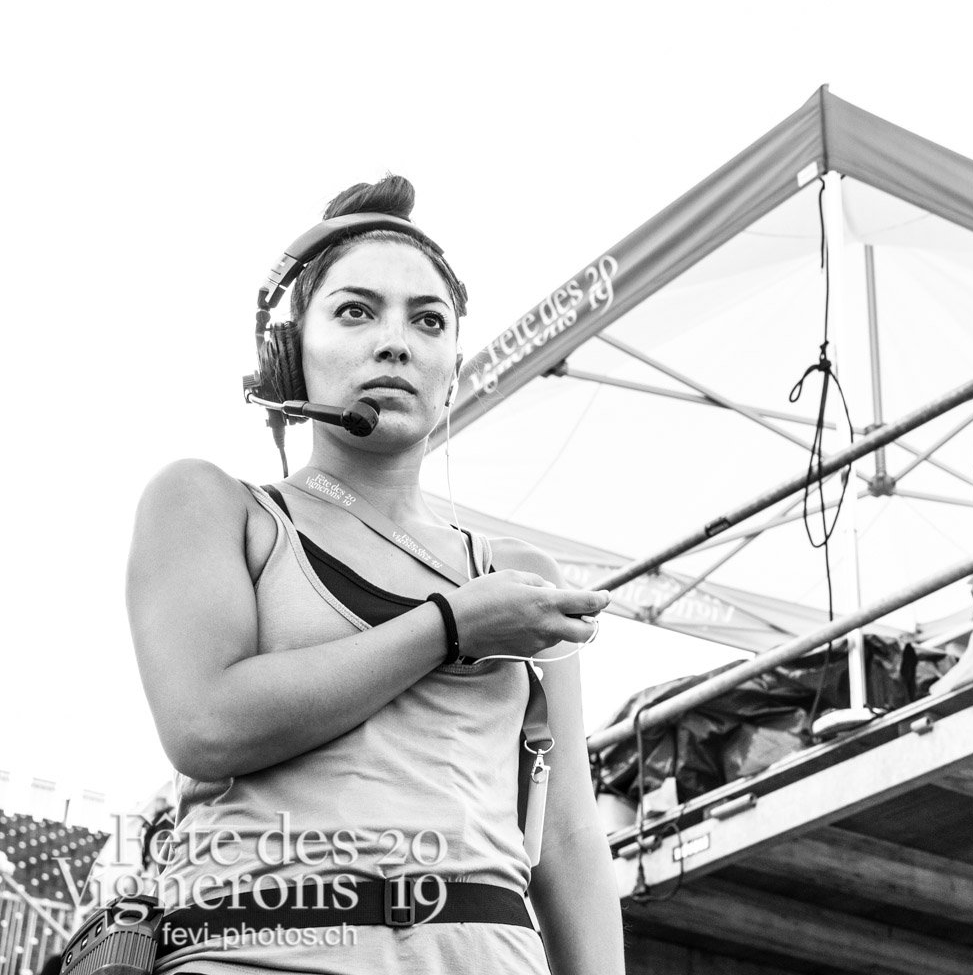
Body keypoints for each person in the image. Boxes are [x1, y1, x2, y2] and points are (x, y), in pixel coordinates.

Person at [126, 176, 624, 973]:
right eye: (356, 311)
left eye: (428, 321)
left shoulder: (518, 574)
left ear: (452, 371)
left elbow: (568, 835)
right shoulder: (212, 505)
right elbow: (205, 726)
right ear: (289, 358)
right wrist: (452, 628)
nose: (395, 342)